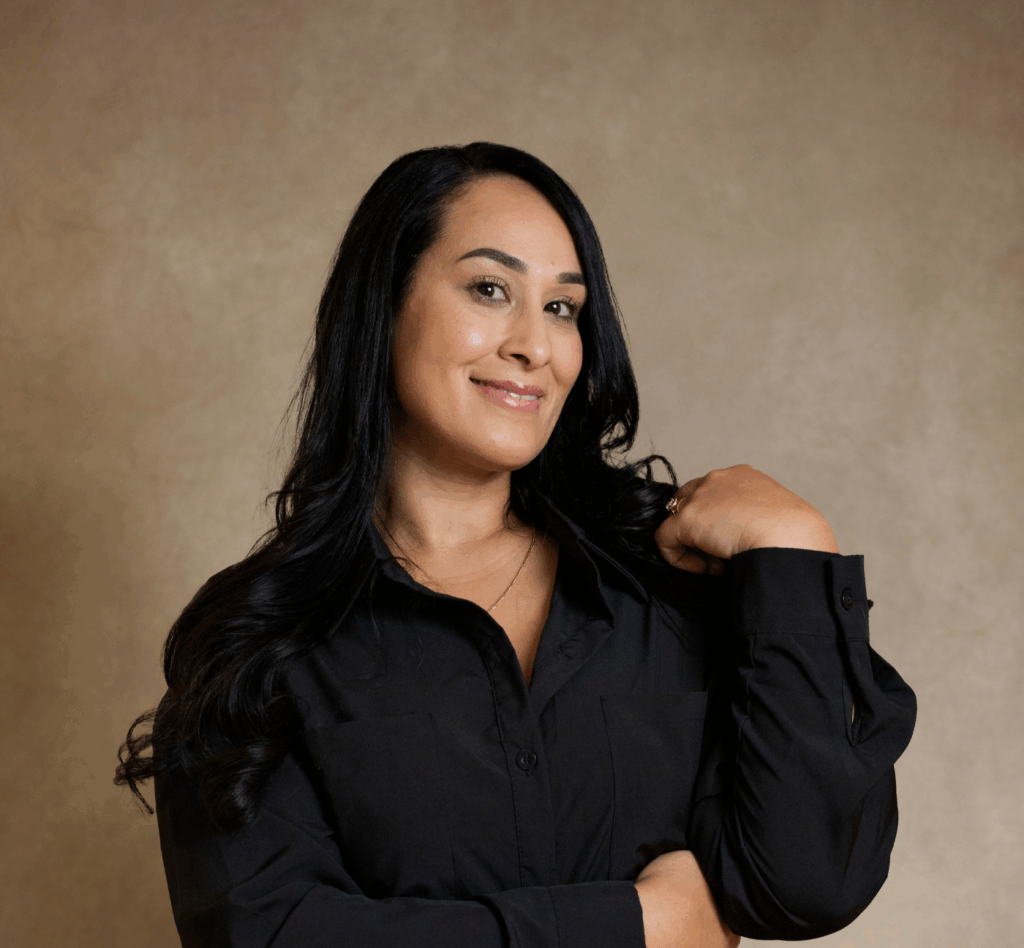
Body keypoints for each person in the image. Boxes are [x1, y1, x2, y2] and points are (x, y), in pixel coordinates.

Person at [116, 142, 916, 948]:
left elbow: (806, 885)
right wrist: (635, 925)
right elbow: (268, 935)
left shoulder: (666, 584)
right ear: (382, 306)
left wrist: (795, 547)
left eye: (563, 307)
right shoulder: (260, 638)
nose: (536, 345)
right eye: (490, 289)